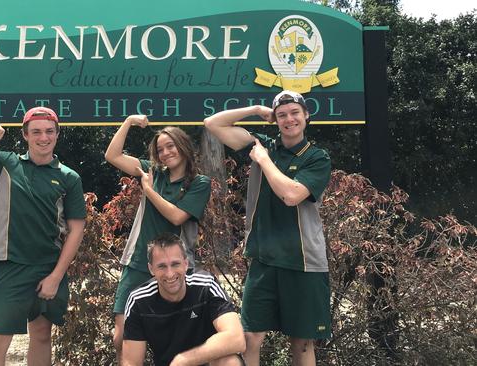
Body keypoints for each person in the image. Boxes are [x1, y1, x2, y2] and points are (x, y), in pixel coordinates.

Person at [0, 106, 86, 366]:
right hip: (10, 266)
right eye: (36, 132)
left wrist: (55, 276)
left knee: (42, 334)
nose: (43, 137)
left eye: (49, 131)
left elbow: (76, 229)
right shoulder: (6, 163)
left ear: (57, 134)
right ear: (25, 134)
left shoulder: (69, 178)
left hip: (48, 268)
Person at [203, 91, 332, 366]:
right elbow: (212, 123)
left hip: (304, 262)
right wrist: (256, 108)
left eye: (295, 112)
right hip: (263, 258)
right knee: (249, 337)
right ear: (275, 120)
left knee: (303, 343)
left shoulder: (317, 158)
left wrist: (263, 160)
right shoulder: (262, 144)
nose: (289, 119)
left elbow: (291, 195)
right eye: (282, 115)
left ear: (306, 115)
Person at [105, 114, 212, 363]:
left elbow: (176, 217)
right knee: (121, 337)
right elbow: (112, 155)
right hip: (138, 263)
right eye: (160, 149)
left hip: (173, 267)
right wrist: (129, 122)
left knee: (177, 336)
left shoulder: (198, 182)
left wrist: (148, 190)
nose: (165, 153)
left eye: (170, 146)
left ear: (183, 145)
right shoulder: (154, 171)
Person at [122, 233, 245, 366]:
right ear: (151, 269)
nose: (170, 274)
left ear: (186, 264)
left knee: (230, 362)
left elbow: (237, 338)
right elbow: (131, 363)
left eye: (175, 264)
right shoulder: (139, 300)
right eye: (162, 266)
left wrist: (183, 360)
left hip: (206, 363)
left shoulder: (205, 285)